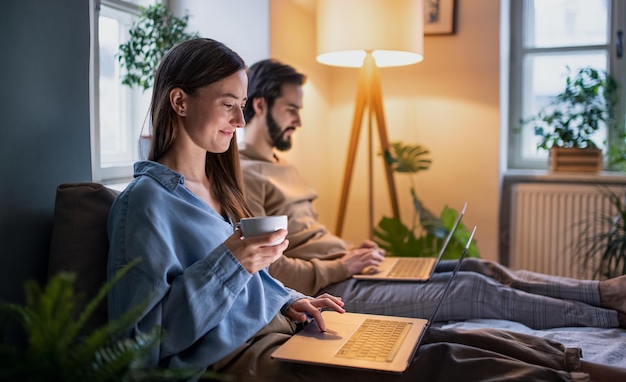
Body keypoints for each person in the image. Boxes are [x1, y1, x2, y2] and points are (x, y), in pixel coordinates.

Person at [107, 38, 626, 382]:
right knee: (438, 360)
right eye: (228, 104)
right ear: (179, 101)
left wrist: (289, 300)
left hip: (284, 327)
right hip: (241, 358)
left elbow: (248, 286)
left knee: (436, 335)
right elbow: (137, 350)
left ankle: (577, 363)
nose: (241, 120)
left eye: (243, 105)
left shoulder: (216, 185)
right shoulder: (146, 205)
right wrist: (237, 260)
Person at [239, 58, 626, 331]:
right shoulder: (245, 176)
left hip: (346, 269)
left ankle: (603, 291)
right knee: (474, 291)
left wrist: (350, 252)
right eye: (292, 109)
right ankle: (612, 318)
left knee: (479, 268)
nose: (299, 121)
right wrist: (341, 267)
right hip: (329, 290)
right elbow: (270, 270)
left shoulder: (278, 163)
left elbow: (308, 237)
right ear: (260, 105)